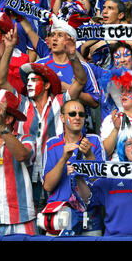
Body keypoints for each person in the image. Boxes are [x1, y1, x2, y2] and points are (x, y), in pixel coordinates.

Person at [0, 19, 89, 219]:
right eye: (27, 80)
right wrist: (10, 48)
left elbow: (81, 80)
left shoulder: (60, 102)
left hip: (54, 174)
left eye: (34, 80)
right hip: (25, 173)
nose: (28, 84)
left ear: (46, 85)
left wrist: (73, 57)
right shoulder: (21, 103)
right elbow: (1, 80)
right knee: (30, 220)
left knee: (53, 224)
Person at [42, 99, 106, 236]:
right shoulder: (51, 144)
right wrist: (63, 159)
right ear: (62, 118)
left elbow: (102, 183)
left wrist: (89, 156)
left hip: (89, 217)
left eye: (81, 114)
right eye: (72, 113)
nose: (77, 117)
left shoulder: (94, 141)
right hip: (59, 217)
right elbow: (48, 186)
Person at [0, 90, 36, 235]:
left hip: (23, 218)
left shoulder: (26, 138)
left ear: (8, 119)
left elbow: (21, 155)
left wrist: (2, 128)